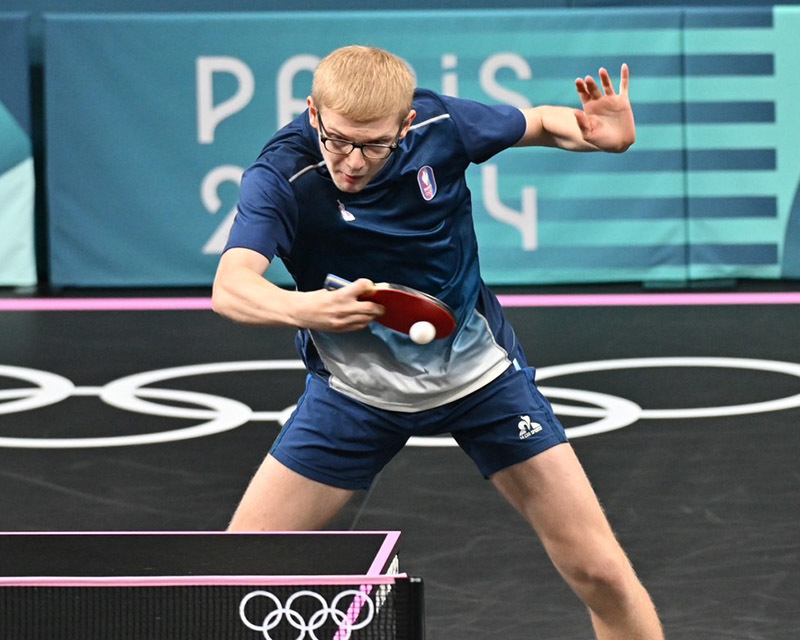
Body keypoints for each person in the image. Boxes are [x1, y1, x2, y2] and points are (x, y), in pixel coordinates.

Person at [212, 45, 664, 639]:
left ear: (405, 124)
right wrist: (306, 308)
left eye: (374, 144)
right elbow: (231, 286)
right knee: (235, 578)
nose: (351, 161)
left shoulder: (441, 124)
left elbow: (542, 122)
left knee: (598, 570)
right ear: (313, 112)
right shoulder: (282, 174)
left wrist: (600, 135)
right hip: (354, 394)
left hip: (480, 379)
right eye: (339, 139)